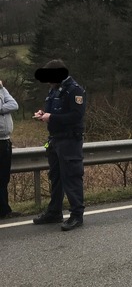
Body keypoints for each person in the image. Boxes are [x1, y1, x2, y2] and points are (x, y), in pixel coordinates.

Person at [32, 59, 87, 231]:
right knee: (55, 177)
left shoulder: (74, 91)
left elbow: (76, 116)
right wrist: (43, 115)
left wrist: (52, 118)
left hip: (70, 140)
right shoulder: (54, 90)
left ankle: (77, 215)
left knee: (71, 177)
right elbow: (54, 112)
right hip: (55, 140)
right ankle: (54, 212)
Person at [0, 80, 19, 219]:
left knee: (4, 178)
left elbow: (14, 105)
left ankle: (4, 210)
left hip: (5, 141)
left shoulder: (1, 91)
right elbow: (11, 105)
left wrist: (2, 88)